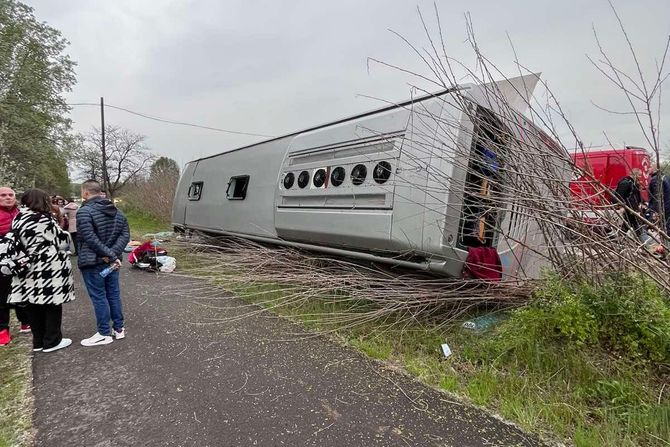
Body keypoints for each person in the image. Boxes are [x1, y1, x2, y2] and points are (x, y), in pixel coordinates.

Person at [7, 189, 74, 353]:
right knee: (52, 303)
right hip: (46, 266)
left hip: (26, 265)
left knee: (32, 303)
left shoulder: (18, 217)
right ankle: (52, 340)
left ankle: (38, 341)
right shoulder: (43, 219)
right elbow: (61, 241)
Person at [77, 179, 129, 346]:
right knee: (113, 294)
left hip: (93, 262)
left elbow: (89, 238)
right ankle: (119, 329)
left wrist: (108, 255)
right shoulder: (117, 212)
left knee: (99, 296)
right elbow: (125, 235)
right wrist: (113, 255)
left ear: (85, 193)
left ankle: (103, 333)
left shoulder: (84, 212)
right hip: (112, 263)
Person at [0, 187, 31, 346]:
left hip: (20, 258)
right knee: (2, 296)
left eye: (10, 195)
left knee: (21, 290)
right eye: (3, 195)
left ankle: (25, 321)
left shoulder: (20, 213)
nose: (8, 198)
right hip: (2, 261)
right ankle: (2, 330)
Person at [614, 169, 643, 239]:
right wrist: (621, 206)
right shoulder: (625, 183)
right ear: (635, 174)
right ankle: (641, 240)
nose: (640, 177)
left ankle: (620, 237)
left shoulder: (634, 183)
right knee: (634, 224)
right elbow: (619, 195)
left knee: (630, 224)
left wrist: (642, 203)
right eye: (639, 175)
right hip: (628, 207)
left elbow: (636, 195)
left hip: (633, 208)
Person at [648, 167, 670, 235]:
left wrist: (656, 211)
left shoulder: (655, 179)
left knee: (665, 226)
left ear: (654, 169)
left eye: (649, 167)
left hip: (664, 207)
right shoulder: (666, 177)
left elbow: (656, 196)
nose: (648, 169)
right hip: (668, 204)